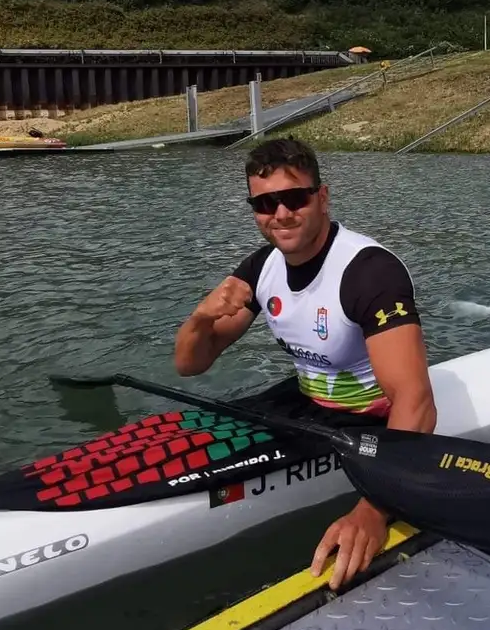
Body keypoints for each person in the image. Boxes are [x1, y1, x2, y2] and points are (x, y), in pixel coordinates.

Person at [174, 136, 436, 592]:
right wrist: (200, 317)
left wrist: (375, 509)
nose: (280, 214)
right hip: (308, 403)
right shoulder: (262, 267)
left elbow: (416, 400)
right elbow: (190, 364)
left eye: (295, 197)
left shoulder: (369, 272)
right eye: (265, 203)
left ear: (323, 196)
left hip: (373, 422)